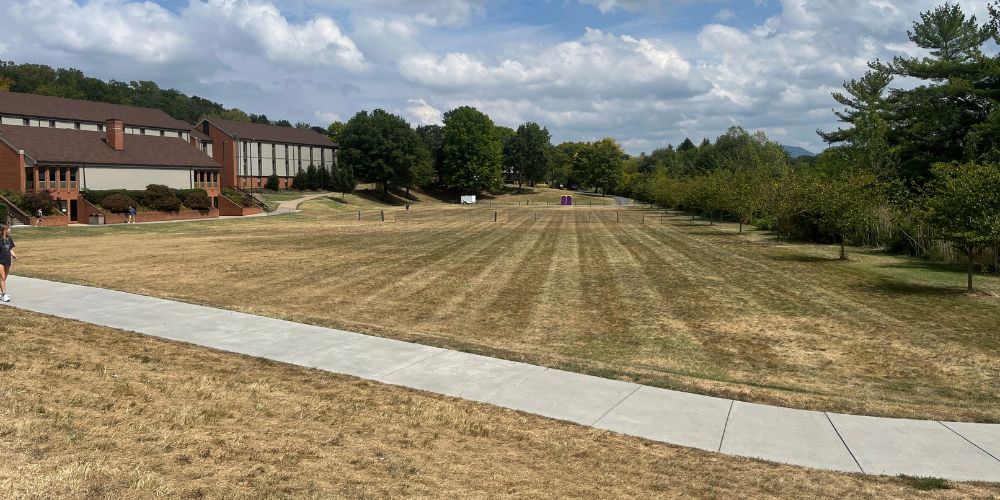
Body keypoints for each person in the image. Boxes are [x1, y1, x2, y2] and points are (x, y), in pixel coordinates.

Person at [0, 225, 17, 302]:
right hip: (0, 261)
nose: (10, 230)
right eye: (8, 228)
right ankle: (4, 294)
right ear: (4, 230)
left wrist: (13, 255)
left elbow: (9, 249)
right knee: (2, 277)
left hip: (7, 260)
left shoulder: (9, 239)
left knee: (3, 278)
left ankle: (1, 292)